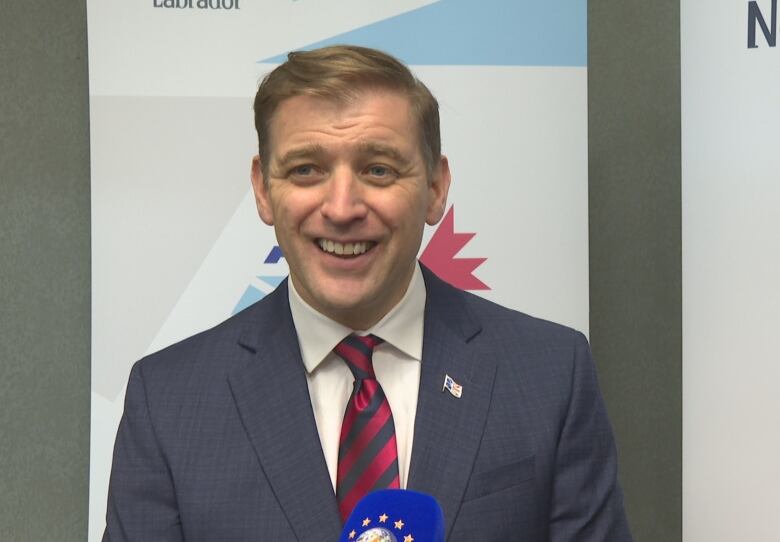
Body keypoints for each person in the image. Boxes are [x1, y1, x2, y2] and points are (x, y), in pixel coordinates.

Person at [103, 45, 633, 541]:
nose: (341, 207)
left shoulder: (549, 374)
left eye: (378, 169)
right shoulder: (169, 401)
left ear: (435, 187)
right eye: (306, 169)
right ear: (264, 189)